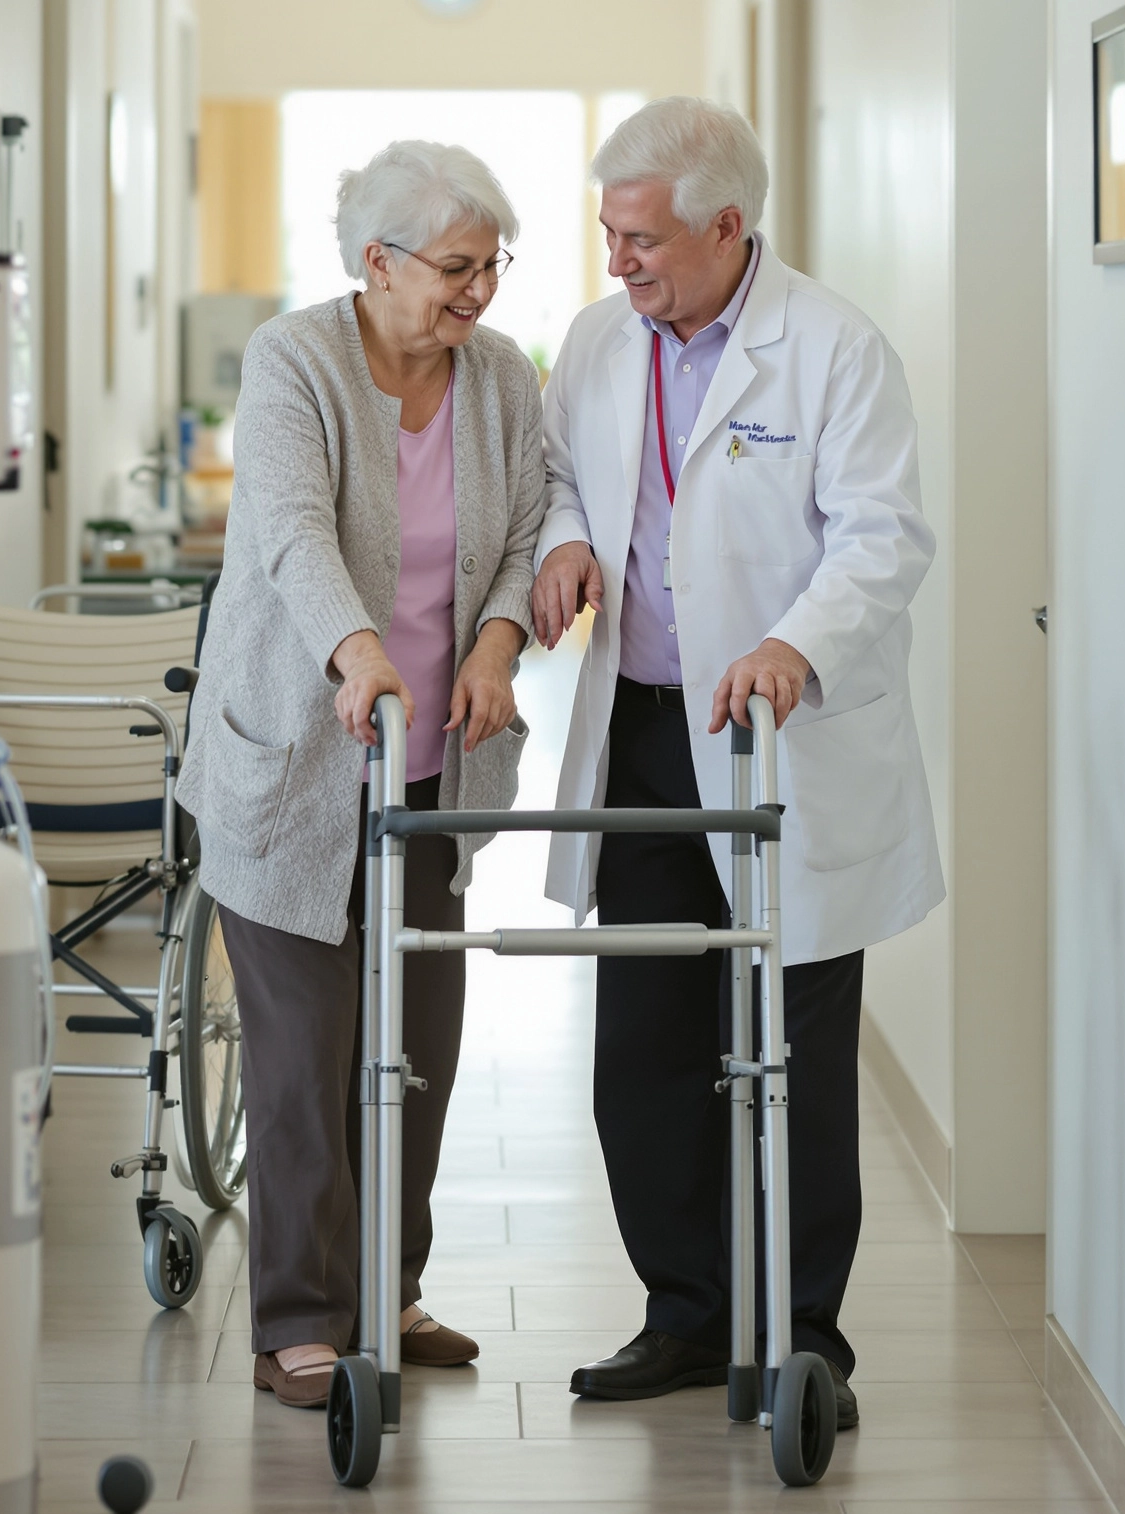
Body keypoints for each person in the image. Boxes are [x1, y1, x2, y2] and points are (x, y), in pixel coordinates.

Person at [531, 96, 943, 1424]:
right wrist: (561, 543)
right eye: (608, 234)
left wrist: (793, 643)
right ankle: (690, 1317)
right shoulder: (598, 344)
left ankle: (802, 1337)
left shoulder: (831, 350)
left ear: (725, 225)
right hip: (648, 730)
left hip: (782, 741)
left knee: (792, 1038)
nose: (619, 262)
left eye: (641, 237)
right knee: (645, 1038)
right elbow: (556, 475)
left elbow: (883, 536)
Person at [178, 140, 544, 1409]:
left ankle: (388, 1288)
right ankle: (295, 1318)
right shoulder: (294, 360)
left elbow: (530, 522)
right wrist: (357, 652)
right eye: (454, 266)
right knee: (301, 1055)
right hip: (296, 760)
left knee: (416, 1040)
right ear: (375, 262)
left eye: (491, 264)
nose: (478, 291)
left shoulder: (498, 377)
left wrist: (498, 640)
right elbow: (282, 525)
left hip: (436, 766)